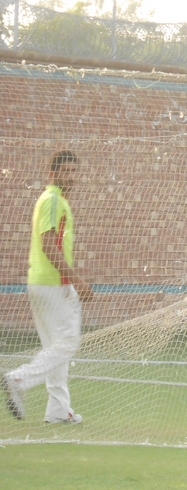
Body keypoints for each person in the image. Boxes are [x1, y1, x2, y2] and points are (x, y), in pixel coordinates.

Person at [2, 150, 92, 424]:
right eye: (65, 171)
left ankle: (58, 411)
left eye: (74, 171)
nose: (71, 176)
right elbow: (49, 246)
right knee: (67, 345)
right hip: (53, 284)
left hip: (43, 284)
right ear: (52, 174)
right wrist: (76, 279)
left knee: (55, 348)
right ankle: (18, 379)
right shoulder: (52, 199)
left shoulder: (56, 200)